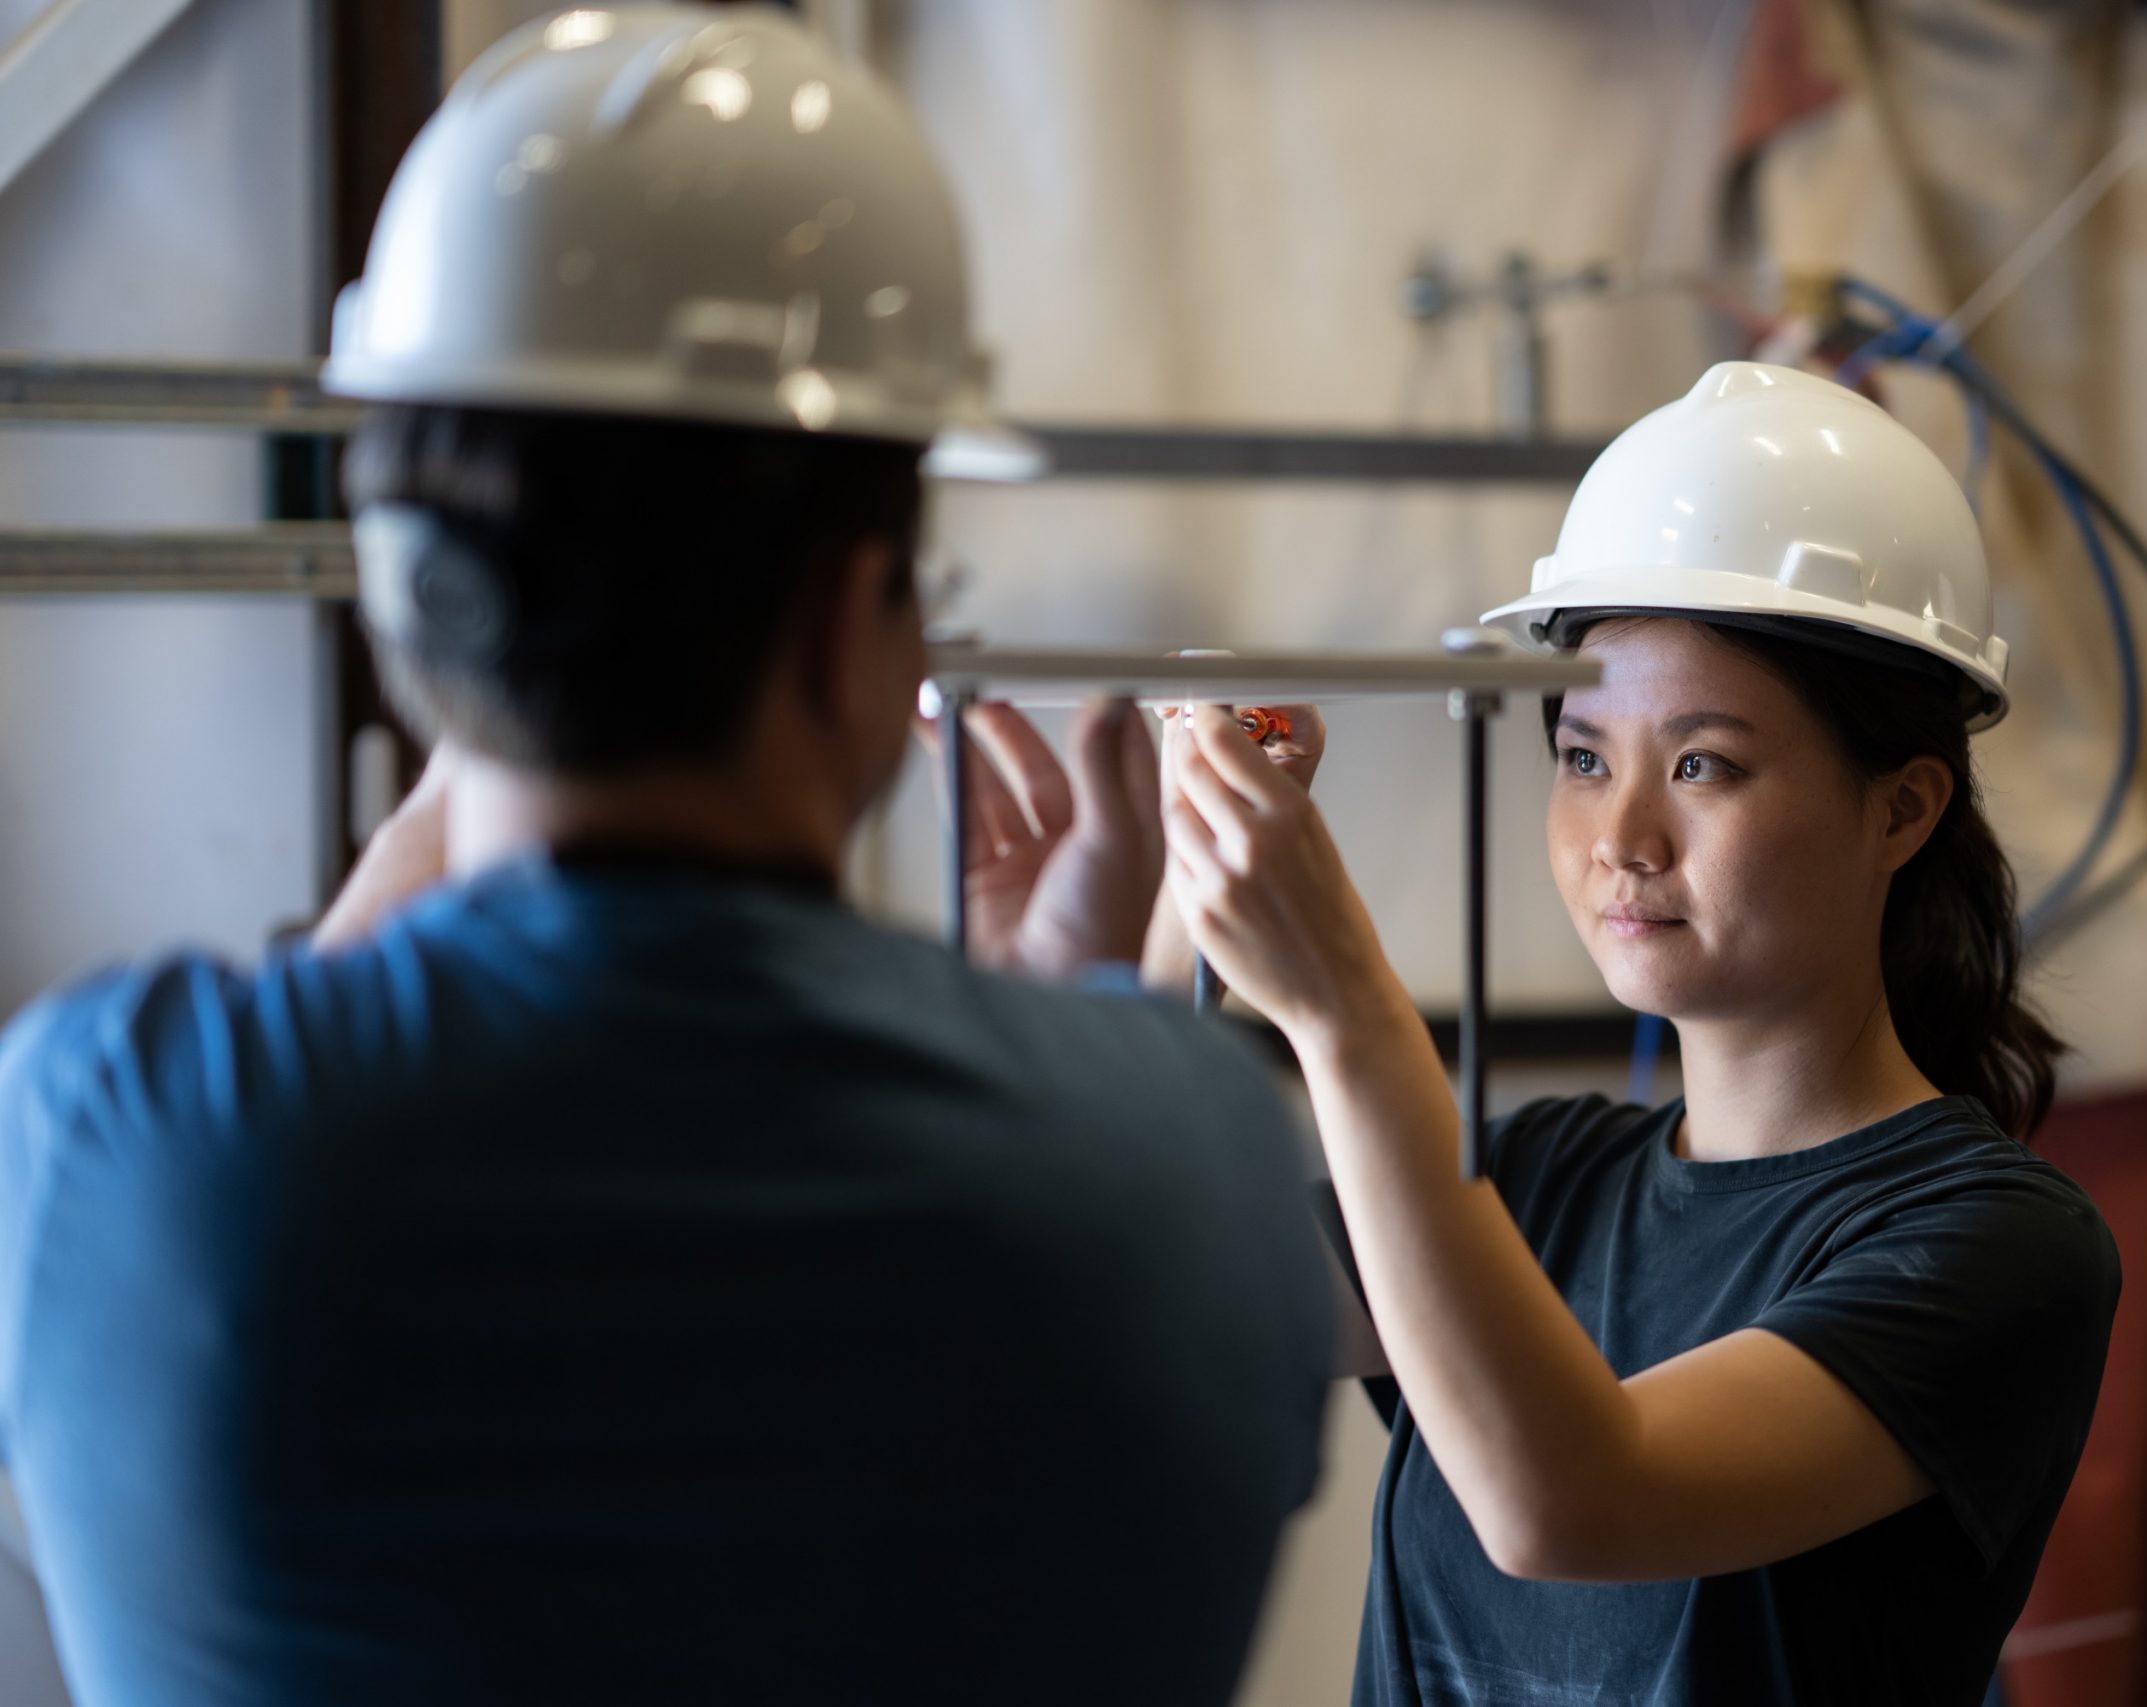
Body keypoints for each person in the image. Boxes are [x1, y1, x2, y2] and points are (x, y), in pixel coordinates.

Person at [0, 11, 1330, 1706]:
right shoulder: (1190, 1164)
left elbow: (309, 1088)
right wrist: (1063, 1014)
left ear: (407, 602)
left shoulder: (109, 1137)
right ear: (861, 623)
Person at [1153, 362, 2122, 1706]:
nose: (1623, 839)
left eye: (1704, 764)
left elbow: (1574, 1503)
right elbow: (1138, 1295)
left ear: (1900, 812)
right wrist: (1146, 913)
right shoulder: (1536, 1179)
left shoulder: (1999, 1251)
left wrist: (1346, 1012)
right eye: (1585, 757)